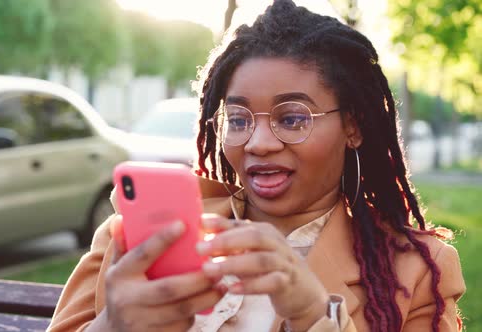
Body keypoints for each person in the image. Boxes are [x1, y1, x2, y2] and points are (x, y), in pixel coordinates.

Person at [48, 1, 465, 331]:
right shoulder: (131, 238)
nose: (258, 143)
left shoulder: (417, 270)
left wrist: (314, 313)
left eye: (292, 118)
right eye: (240, 119)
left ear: (352, 126)